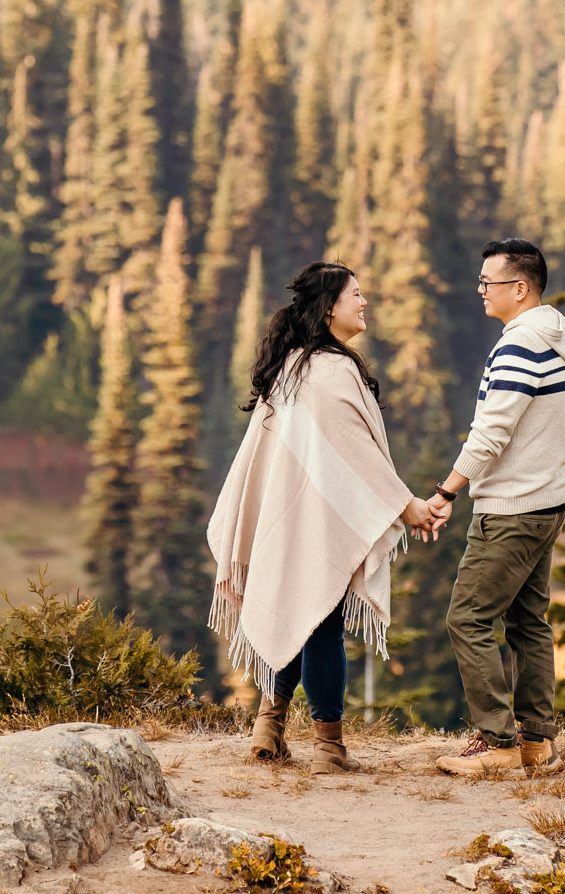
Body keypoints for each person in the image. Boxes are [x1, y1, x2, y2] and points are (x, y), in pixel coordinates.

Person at [207, 262, 438, 773]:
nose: (364, 302)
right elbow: (359, 459)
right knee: (322, 623)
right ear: (330, 306)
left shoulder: (291, 366)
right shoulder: (333, 372)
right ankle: (329, 749)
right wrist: (412, 508)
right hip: (317, 520)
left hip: (284, 517)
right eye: (357, 294)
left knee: (292, 604)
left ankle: (269, 725)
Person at [425, 238, 565, 776]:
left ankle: (497, 744)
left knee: (467, 616)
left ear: (520, 289)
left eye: (488, 282)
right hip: (548, 497)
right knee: (528, 621)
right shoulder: (559, 337)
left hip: (513, 505)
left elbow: (492, 430)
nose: (480, 291)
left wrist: (446, 491)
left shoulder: (519, 345)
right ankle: (538, 741)